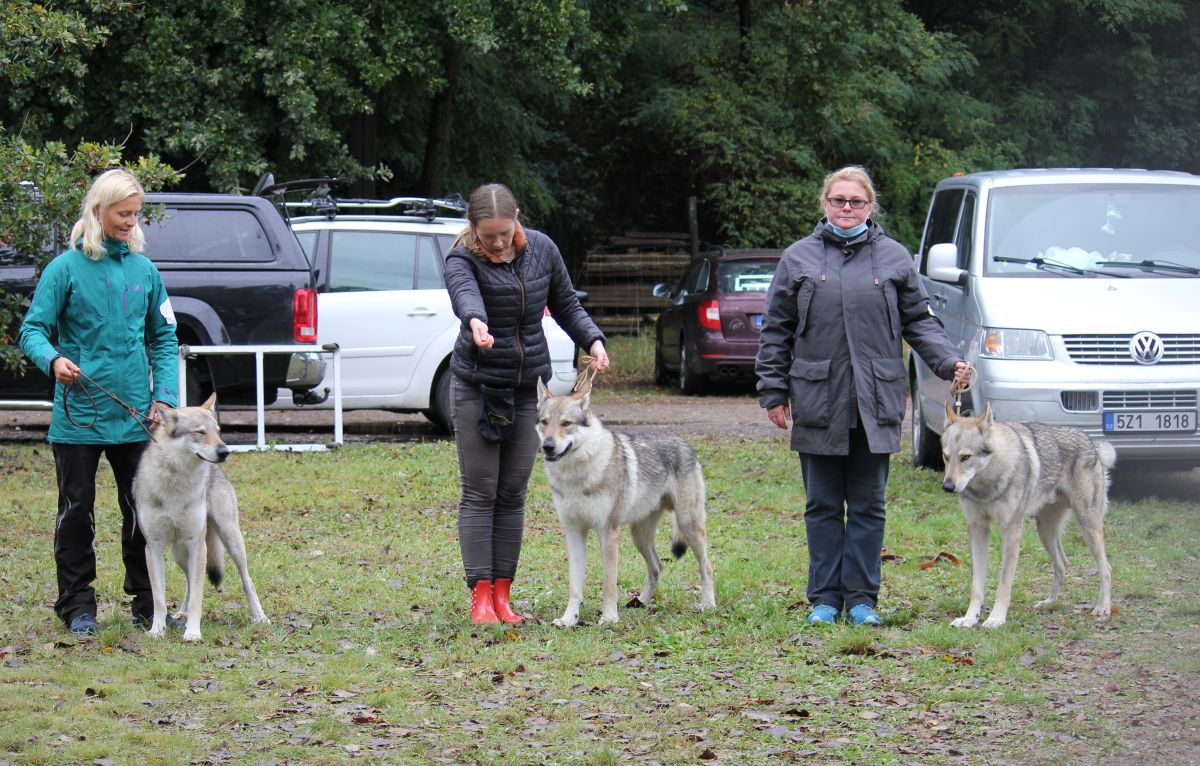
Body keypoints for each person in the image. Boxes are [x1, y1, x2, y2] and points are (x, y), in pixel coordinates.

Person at [755, 166, 968, 627]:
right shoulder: (798, 259)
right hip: (818, 399)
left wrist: (950, 362)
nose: (847, 208)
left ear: (870, 207)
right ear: (824, 204)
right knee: (823, 505)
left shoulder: (893, 259)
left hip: (876, 400)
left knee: (869, 504)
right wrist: (773, 391)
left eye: (856, 201)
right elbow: (776, 331)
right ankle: (825, 599)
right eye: (838, 200)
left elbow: (921, 322)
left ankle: (862, 599)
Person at [19, 168, 179, 636]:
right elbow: (32, 330)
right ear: (98, 210)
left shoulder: (145, 271)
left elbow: (165, 338)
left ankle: (149, 603)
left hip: (136, 418)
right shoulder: (64, 269)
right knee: (77, 511)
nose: (131, 222)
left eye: (136, 214)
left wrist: (163, 397)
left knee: (143, 512)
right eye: (123, 214)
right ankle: (77, 605)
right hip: (78, 418)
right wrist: (52, 361)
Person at [443, 183, 609, 625]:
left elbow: (567, 303)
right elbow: (465, 295)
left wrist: (592, 339)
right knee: (480, 491)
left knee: (513, 493)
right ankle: (480, 598)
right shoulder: (462, 257)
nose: (496, 242)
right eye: (487, 234)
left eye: (503, 232)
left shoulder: (542, 250)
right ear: (473, 228)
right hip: (478, 386)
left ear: (517, 216)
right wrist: (476, 321)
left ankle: (503, 595)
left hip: (525, 393)